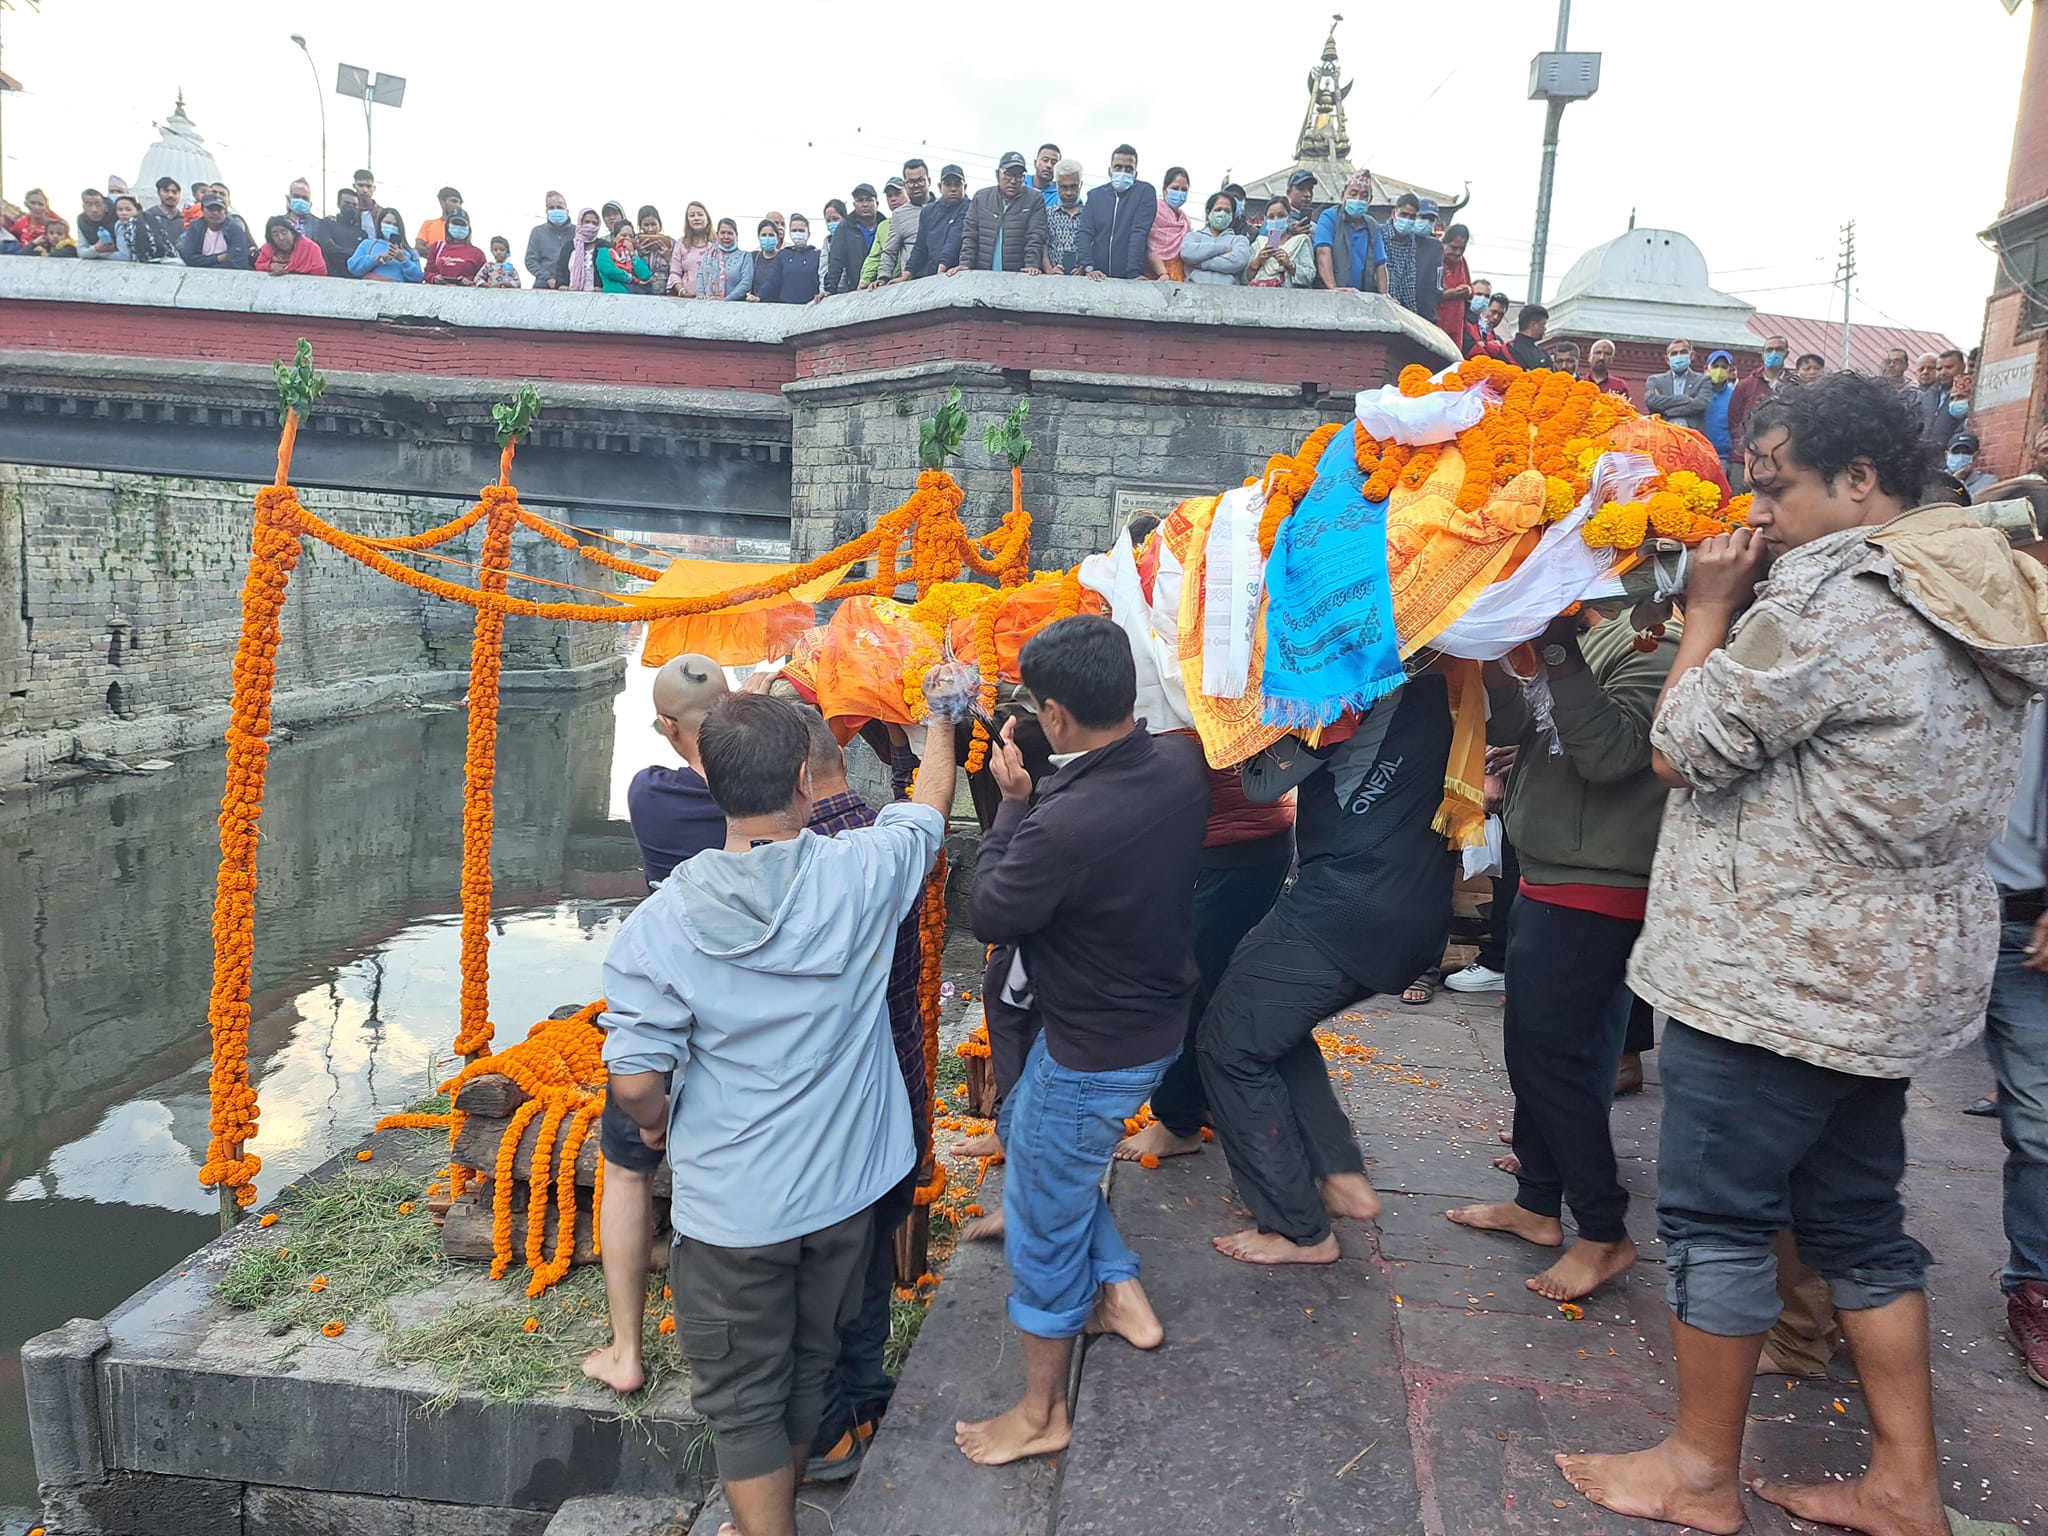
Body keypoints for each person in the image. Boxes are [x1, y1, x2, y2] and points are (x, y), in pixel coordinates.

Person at [1556, 372, 2048, 1536]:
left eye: (1769, 486)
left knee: (1717, 1220)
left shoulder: (1830, 602)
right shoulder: (1983, 593)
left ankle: (1694, 1470)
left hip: (1771, 978)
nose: (1753, 511)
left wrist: (1709, 611)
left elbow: (1678, 747)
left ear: (1861, 481)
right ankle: (1902, 1483)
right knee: (1857, 1222)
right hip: (1890, 978)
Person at [601, 692, 953, 1536]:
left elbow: (638, 1079)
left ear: (706, 775)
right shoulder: (865, 870)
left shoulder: (661, 926)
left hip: (737, 1210)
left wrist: (654, 1125)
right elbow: (931, 804)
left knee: (743, 1395)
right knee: (810, 1366)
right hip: (846, 1192)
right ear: (805, 776)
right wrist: (944, 714)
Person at [954, 616, 1209, 1467]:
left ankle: (1040, 1414)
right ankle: (1120, 1295)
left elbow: (991, 912)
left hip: (1095, 1043)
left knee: (1042, 1226)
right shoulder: (1178, 762)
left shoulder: (1063, 825)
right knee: (1034, 1143)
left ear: (1055, 717)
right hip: (1151, 1016)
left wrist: (1013, 808)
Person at [1444, 608, 1681, 1301]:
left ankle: (1603, 1231)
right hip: (1555, 871)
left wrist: (1551, 642)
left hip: (1599, 882)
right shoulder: (1597, 636)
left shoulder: (1654, 643)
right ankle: (1537, 1202)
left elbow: (1610, 756)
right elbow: (1525, 729)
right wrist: (1486, 652)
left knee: (1554, 1060)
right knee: (1532, 1048)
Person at [1200, 671, 1454, 1266]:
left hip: (1350, 901)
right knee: (1261, 1015)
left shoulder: (1347, 679)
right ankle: (1337, 1173)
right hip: (1408, 898)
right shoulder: (1435, 675)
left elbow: (1261, 781)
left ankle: (1296, 1230)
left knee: (1226, 1043)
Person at [584, 656, 731, 1403]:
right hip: (738, 1014)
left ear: (666, 730)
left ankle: (626, 1349)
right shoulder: (764, 798)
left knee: (627, 1168)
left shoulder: (651, 793)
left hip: (664, 1010)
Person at [790, 707, 931, 1482]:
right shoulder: (889, 846)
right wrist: (926, 743)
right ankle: (869, 1397)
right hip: (899, 1090)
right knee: (869, 1260)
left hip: (835, 1107)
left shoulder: (807, 861)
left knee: (818, 1279)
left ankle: (833, 1430)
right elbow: (929, 811)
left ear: (796, 778)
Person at [1115, 743, 1294, 1165]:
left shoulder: (1192, 681)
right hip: (1243, 836)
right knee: (1214, 977)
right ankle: (1205, 1096)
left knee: (1183, 981)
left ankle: (1179, 1123)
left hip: (1238, 841)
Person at [1976, 475, 2048, 1392]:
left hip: (2023, 928)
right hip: (1911, 914)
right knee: (1850, 1098)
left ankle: (2034, 1286)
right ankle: (1827, 1287)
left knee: (2039, 1123)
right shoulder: (1943, 638)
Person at [958, 152, 1048, 275]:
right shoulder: (981, 198)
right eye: (1008, 174)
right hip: (982, 274)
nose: (1013, 181)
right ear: (997, 174)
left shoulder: (1034, 199)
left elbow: (1035, 236)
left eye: (1019, 176)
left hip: (1017, 275)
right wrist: (965, 264)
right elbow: (970, 234)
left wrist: (1031, 265)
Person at [1078, 145, 1157, 282]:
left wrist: (1133, 273)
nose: (1123, 172)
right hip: (1097, 276)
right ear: (1110, 171)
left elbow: (1139, 232)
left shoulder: (1145, 193)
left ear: (1135, 174)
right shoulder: (1095, 196)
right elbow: (1084, 232)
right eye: (1118, 167)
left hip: (1130, 277)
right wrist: (1088, 267)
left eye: (1128, 169)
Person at [1314, 171, 1386, 294]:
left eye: (1364, 195)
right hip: (1329, 295)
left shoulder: (1373, 226)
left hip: (1363, 296)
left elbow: (1381, 265)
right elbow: (1322, 252)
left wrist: (1385, 296)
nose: (1358, 199)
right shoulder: (1329, 217)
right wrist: (1333, 288)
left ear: (1370, 200)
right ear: (1343, 196)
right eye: (1353, 194)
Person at [1383, 193, 1444, 320]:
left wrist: (1414, 317)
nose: (1407, 220)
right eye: (1404, 215)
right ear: (1394, 213)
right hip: (1382, 308)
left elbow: (1409, 283)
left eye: (1412, 217)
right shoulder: (1379, 234)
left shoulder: (1429, 246)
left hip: (1408, 313)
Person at [1729, 333, 1794, 448]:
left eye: (1779, 350)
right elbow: (1734, 419)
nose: (1774, 353)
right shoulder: (1745, 385)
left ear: (1786, 354)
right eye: (1769, 350)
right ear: (1763, 355)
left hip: (1782, 450)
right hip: (1748, 449)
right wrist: (1742, 441)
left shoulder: (1794, 386)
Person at [907, 166, 969, 280]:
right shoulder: (928, 211)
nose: (953, 189)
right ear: (940, 187)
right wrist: (907, 274)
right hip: (933, 276)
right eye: (948, 184)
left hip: (959, 276)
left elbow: (955, 236)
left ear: (965, 187)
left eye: (957, 184)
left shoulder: (971, 208)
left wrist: (942, 267)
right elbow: (920, 247)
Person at [875, 160, 931, 284]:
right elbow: (890, 251)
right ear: (905, 185)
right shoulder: (899, 215)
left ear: (929, 181)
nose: (916, 185)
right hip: (912, 283)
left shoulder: (942, 207)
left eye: (920, 180)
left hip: (942, 279)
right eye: (911, 182)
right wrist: (883, 278)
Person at [822, 183, 882, 296]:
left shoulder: (885, 225)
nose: (865, 204)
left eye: (869, 200)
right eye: (860, 200)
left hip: (886, 287)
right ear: (854, 204)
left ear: (877, 203)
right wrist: (829, 289)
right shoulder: (845, 228)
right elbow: (836, 260)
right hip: (857, 291)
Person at [1180, 191, 1249, 286]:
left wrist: (1202, 264)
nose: (1222, 214)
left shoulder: (1239, 240)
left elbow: (1238, 261)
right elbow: (1187, 253)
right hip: (1194, 293)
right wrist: (1222, 249)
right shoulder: (1194, 236)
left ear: (1232, 216)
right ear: (1208, 213)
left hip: (1229, 295)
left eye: (1227, 211)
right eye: (1218, 209)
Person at [1246, 195, 1312, 288]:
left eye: (1281, 216)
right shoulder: (1259, 243)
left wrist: (1289, 265)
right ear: (1266, 219)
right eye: (1271, 217)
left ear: (1288, 217)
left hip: (1290, 298)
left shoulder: (1300, 242)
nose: (1276, 220)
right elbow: (1245, 279)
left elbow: (1310, 276)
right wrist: (1257, 261)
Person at [1644, 338, 1711, 427]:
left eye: (1683, 352)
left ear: (1692, 356)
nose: (1679, 356)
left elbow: (1699, 405)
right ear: (1667, 360)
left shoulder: (1703, 380)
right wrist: (1685, 399)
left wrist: (1668, 411)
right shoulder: (1655, 380)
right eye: (1674, 354)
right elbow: (1652, 402)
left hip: (1693, 436)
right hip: (1664, 435)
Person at [757, 213, 820, 303]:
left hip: (811, 310)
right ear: (790, 233)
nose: (797, 233)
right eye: (794, 230)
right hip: (786, 309)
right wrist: (759, 296)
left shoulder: (817, 255)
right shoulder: (783, 255)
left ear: (808, 234)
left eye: (801, 230)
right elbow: (772, 281)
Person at [348, 209, 423, 283]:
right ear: (380, 224)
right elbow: (352, 267)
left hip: (398, 292)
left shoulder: (411, 252)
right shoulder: (368, 244)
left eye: (395, 225)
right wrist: (376, 259)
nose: (391, 227)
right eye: (387, 223)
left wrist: (404, 260)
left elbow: (419, 278)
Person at [1043, 159, 1089, 277]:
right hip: (1053, 279)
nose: (1069, 193)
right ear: (1056, 185)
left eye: (1073, 187)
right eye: (1064, 187)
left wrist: (1084, 267)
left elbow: (1095, 245)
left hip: (1083, 280)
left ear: (1081, 184)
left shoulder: (1090, 215)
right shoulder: (1047, 214)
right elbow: (1042, 245)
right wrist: (1049, 269)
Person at [178, 195, 251, 270]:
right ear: (202, 209)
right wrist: (217, 258)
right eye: (211, 209)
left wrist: (205, 263)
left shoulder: (235, 230)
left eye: (219, 209)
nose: (215, 213)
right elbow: (189, 258)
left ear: (225, 212)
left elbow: (237, 263)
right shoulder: (195, 227)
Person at [1146, 165, 1192, 281]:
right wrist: (1163, 273)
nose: (1180, 193)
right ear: (1164, 189)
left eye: (1184, 189)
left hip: (1181, 275)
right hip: (1155, 276)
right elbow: (1151, 248)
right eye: (1175, 188)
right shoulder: (1153, 212)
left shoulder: (1185, 220)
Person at [860, 179, 906, 289]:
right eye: (889, 196)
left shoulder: (921, 216)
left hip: (917, 279)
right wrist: (864, 281)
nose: (893, 199)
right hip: (892, 284)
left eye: (898, 194)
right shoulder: (883, 226)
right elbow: (875, 257)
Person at [1702, 351, 1739, 486]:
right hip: (1699, 454)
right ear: (1706, 369)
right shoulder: (1698, 392)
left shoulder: (1735, 395)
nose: (1719, 370)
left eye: (1724, 367)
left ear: (1729, 370)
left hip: (1723, 457)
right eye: (1715, 365)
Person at [696, 218, 754, 300]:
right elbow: (700, 275)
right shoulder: (709, 254)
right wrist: (701, 296)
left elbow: (746, 283)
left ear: (736, 235)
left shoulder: (744, 257)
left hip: (734, 307)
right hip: (706, 305)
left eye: (730, 233)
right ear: (717, 234)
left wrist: (725, 300)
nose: (726, 237)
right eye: (722, 233)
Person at [526, 191, 574, 290]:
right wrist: (547, 278)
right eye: (551, 208)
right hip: (545, 282)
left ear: (567, 211)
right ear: (546, 212)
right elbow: (530, 260)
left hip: (572, 281)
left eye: (560, 207)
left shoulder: (578, 232)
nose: (556, 210)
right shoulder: (537, 232)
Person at [1435, 222, 1474, 341]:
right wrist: (1453, 293)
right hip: (1436, 324)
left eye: (1461, 249)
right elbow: (1427, 294)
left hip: (1456, 327)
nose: (1457, 253)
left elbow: (1471, 291)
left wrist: (1467, 290)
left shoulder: (1462, 262)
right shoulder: (1435, 258)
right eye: (1453, 248)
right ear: (1444, 243)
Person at [423, 213, 486, 285]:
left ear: (468, 228)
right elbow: (427, 272)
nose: (458, 227)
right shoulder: (437, 247)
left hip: (466, 293)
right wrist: (434, 278)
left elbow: (483, 278)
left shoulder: (477, 253)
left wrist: (471, 282)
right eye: (455, 224)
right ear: (447, 226)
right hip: (438, 291)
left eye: (462, 225)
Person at [669, 201, 715, 297]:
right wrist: (682, 291)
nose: (696, 218)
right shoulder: (681, 244)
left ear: (707, 219)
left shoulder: (717, 243)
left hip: (714, 299)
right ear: (687, 220)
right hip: (687, 299)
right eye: (692, 215)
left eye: (700, 214)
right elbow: (674, 273)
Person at [110, 192, 173, 263]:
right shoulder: (150, 219)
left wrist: (98, 253)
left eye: (128, 210)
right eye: (120, 210)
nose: (124, 213)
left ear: (137, 210)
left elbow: (124, 256)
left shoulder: (130, 225)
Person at [257, 215, 327, 276]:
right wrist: (270, 266)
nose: (281, 238)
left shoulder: (311, 248)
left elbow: (320, 275)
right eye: (276, 235)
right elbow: (258, 265)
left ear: (292, 232)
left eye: (284, 232)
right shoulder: (268, 248)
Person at [316, 190, 363, 278]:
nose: (351, 207)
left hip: (354, 280)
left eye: (354, 205)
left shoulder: (362, 233)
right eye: (347, 203)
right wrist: (353, 253)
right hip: (330, 277)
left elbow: (361, 257)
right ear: (338, 204)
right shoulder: (326, 223)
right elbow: (328, 248)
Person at [141, 177, 185, 260]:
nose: (170, 195)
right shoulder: (148, 216)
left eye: (174, 192)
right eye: (166, 191)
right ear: (158, 193)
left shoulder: (184, 219)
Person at [1946, 433, 1999, 500]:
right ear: (1946, 455)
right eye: (1956, 452)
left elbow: (1974, 503)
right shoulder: (1936, 479)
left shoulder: (1987, 481)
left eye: (1966, 452)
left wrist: (1957, 483)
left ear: (1975, 456)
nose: (1961, 456)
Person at [598, 229, 653, 294]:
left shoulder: (635, 256)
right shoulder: (605, 252)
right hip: (614, 297)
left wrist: (632, 254)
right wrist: (632, 278)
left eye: (631, 236)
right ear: (614, 238)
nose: (627, 239)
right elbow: (609, 271)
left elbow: (645, 276)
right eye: (623, 235)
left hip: (635, 298)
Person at [415, 185, 464, 251]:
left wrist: (432, 249)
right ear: (442, 203)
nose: (458, 206)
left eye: (460, 203)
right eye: (454, 201)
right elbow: (418, 248)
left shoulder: (462, 227)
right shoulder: (429, 224)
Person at [1510, 304, 1557, 372]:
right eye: (1543, 324)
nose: (1545, 328)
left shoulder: (1508, 349)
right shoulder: (1509, 350)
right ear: (1533, 324)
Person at [635, 206, 674, 284]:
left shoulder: (672, 244)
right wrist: (636, 254)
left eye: (653, 224)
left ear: (660, 225)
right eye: (646, 225)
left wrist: (669, 258)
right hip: (639, 292)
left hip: (665, 293)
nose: (650, 229)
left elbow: (678, 272)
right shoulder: (634, 243)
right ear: (640, 226)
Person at [75, 189, 116, 259]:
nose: (94, 209)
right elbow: (81, 252)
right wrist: (96, 249)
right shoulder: (82, 220)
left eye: (98, 205)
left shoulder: (117, 217)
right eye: (88, 205)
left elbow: (125, 255)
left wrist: (93, 253)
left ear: (105, 206)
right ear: (83, 207)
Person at [1025, 142, 1063, 207]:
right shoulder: (1020, 183)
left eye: (1054, 163)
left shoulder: (1059, 194)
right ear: (1035, 163)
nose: (1049, 165)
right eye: (1045, 160)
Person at [350, 170, 381, 240]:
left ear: (374, 188)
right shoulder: (349, 213)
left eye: (369, 186)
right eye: (360, 185)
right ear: (354, 186)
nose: (365, 190)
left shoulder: (382, 214)